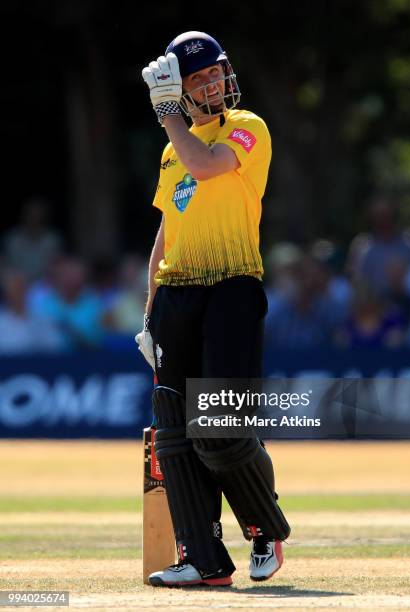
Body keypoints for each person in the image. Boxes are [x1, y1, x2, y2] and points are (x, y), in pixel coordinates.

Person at [136, 31, 290, 587]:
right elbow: (165, 232)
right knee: (175, 435)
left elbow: (204, 166)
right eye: (199, 78)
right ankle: (203, 559)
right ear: (182, 86)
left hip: (232, 289)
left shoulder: (249, 128)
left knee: (219, 429)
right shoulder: (170, 149)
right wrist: (149, 312)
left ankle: (263, 527)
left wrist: (170, 114)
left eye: (217, 72)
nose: (214, 83)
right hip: (178, 296)